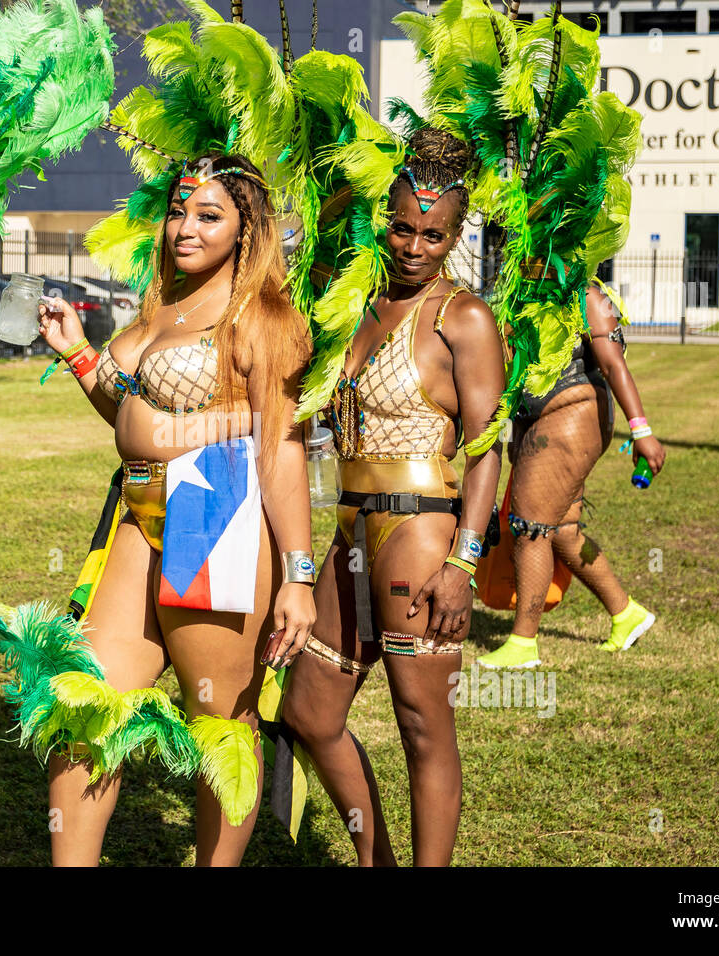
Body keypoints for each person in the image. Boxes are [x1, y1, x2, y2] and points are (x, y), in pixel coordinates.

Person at [0, 153, 316, 866]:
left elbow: (282, 448)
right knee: (82, 708)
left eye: (210, 215)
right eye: (178, 211)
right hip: (137, 514)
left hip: (215, 510)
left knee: (219, 725)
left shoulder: (261, 317)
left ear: (247, 229)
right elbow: (132, 418)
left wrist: (299, 572)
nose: (186, 228)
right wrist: (81, 354)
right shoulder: (162, 309)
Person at [280, 129, 505, 867]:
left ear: (455, 235)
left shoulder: (462, 319)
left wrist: (465, 565)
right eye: (404, 227)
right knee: (310, 713)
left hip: (422, 532)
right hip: (349, 527)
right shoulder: (355, 304)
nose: (415, 246)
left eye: (434, 235)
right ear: (385, 217)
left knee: (421, 721)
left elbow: (485, 447)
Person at [477, 279, 666, 668]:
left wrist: (642, 431)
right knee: (562, 531)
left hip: (575, 410)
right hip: (535, 418)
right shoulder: (517, 292)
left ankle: (523, 644)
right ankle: (626, 612)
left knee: (530, 526)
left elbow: (614, 364)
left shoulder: (588, 295)